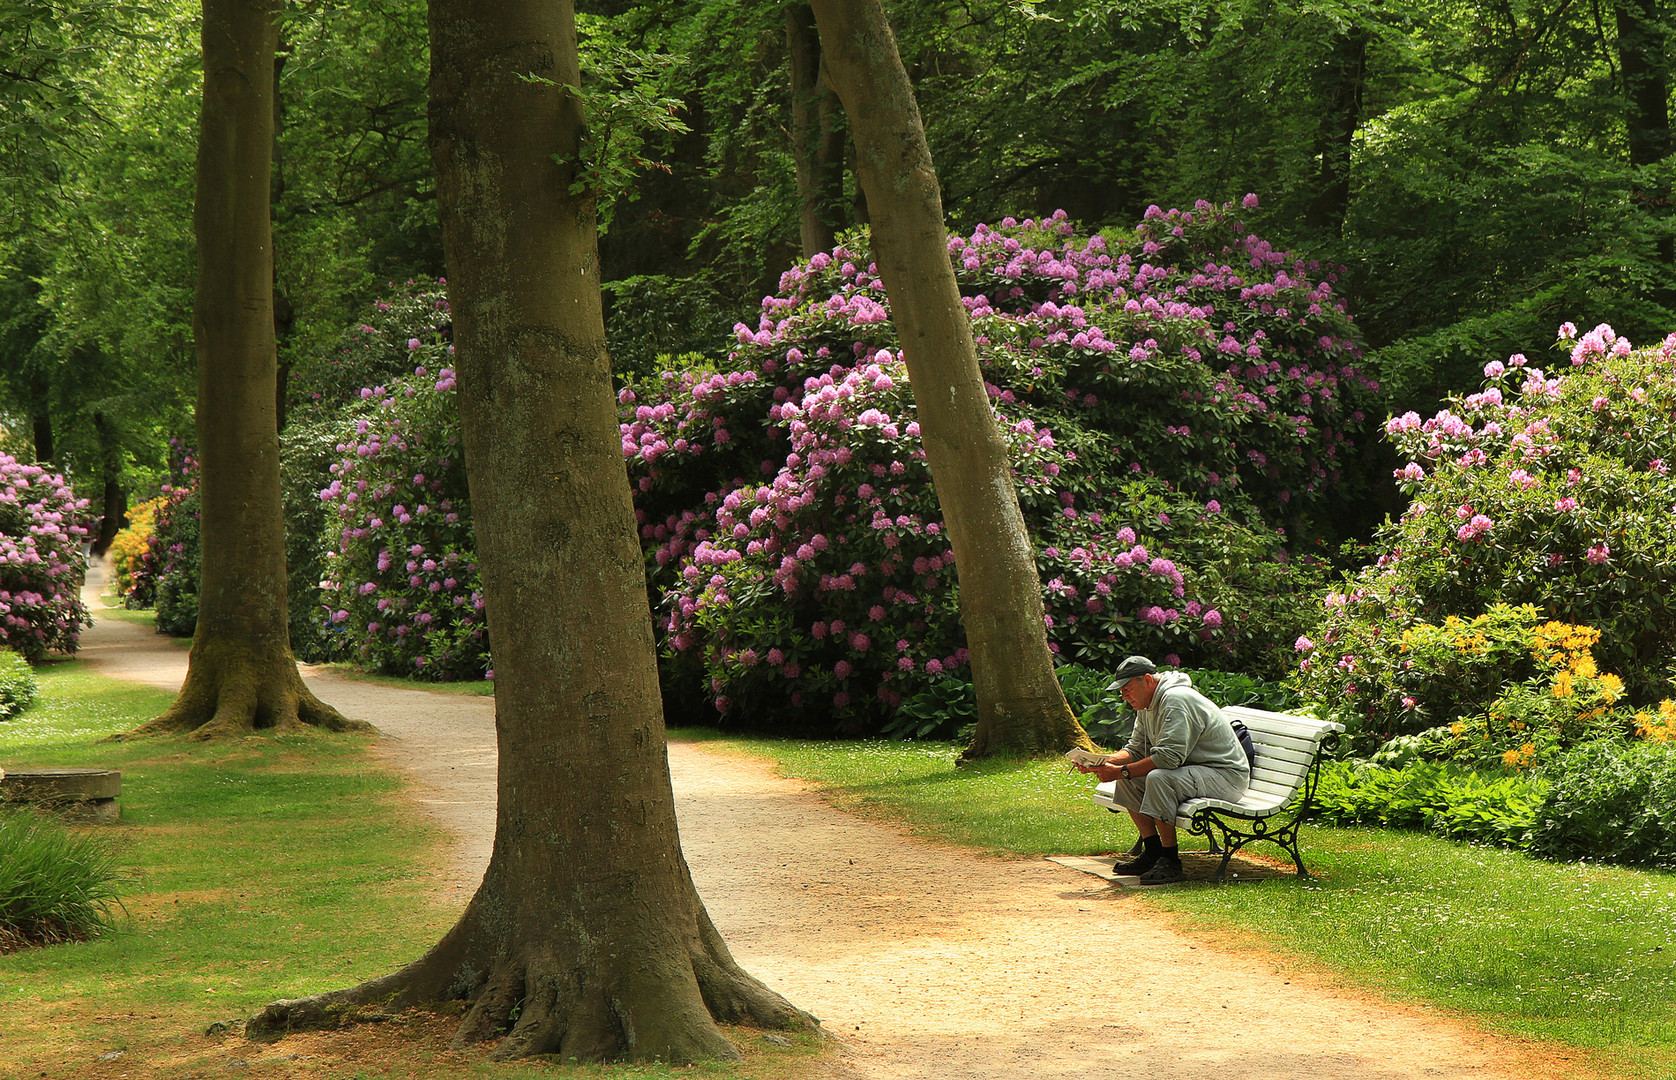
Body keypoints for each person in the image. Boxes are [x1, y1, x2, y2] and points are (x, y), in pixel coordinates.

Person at [1074, 655, 1249, 884]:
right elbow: (1135, 749)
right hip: (1194, 771)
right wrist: (1100, 761)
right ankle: (1153, 852)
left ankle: (1171, 861)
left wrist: (1120, 771)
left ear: (1147, 680)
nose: (1124, 696)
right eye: (1121, 691)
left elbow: (1169, 758)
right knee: (1130, 776)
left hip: (1226, 777)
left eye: (1127, 689)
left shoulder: (1176, 700)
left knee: (1157, 777)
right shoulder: (1147, 704)